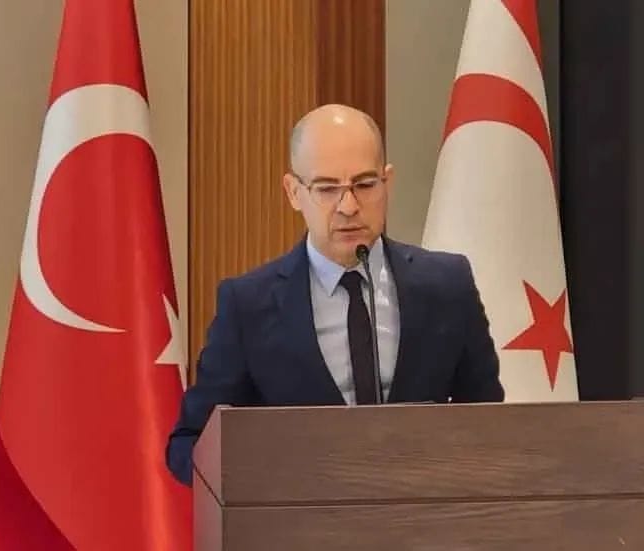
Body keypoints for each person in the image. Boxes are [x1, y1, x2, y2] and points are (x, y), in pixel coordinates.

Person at [166, 103, 504, 486]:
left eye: (365, 184)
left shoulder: (447, 286)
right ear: (294, 192)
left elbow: (491, 426)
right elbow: (189, 445)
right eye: (327, 189)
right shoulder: (247, 306)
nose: (348, 207)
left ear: (387, 182)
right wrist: (271, 478)